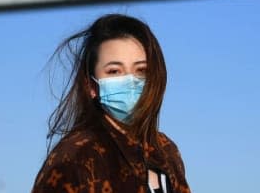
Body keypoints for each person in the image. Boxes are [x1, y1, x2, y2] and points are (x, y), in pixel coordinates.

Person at [31, 14, 191, 193]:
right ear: (91, 85)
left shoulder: (166, 151)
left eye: (141, 70)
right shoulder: (74, 157)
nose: (130, 81)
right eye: (114, 71)